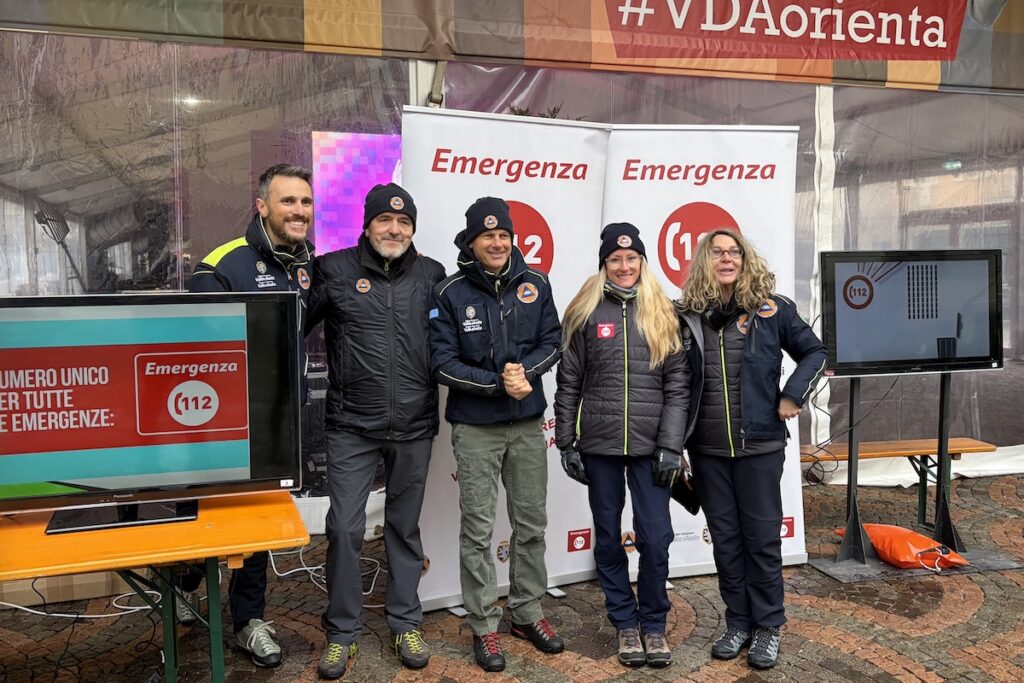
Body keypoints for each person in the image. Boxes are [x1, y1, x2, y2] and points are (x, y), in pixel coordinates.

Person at [306, 183, 446, 680]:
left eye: (404, 222)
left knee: (403, 527)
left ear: (412, 228)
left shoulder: (432, 274)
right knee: (344, 528)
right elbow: (293, 326)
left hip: (413, 424)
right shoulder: (334, 269)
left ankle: (405, 620)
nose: (394, 229)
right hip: (351, 424)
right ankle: (342, 632)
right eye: (385, 221)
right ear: (367, 224)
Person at [183, 163, 315, 667]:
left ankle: (249, 621)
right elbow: (197, 346)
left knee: (258, 525)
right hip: (221, 425)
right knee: (205, 521)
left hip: (278, 424)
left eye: (304, 202)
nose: (298, 211)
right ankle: (186, 581)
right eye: (288, 202)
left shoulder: (307, 265)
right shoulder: (223, 263)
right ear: (262, 206)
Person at [677, 229, 825, 670]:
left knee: (761, 540)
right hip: (706, 448)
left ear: (745, 259)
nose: (726, 259)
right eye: (718, 253)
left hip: (759, 445)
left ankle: (767, 626)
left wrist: (792, 395)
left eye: (734, 252)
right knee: (725, 541)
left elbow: (815, 352)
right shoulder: (689, 314)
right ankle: (737, 622)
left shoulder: (771, 308)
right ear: (706, 261)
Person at [429, 196, 564, 672]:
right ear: (470, 241)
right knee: (479, 530)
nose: (497, 242)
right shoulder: (449, 293)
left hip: (528, 426)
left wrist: (525, 372)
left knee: (531, 525)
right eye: (487, 235)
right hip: (476, 429)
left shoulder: (536, 284)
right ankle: (485, 626)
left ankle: (527, 613)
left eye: (503, 234)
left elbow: (554, 341)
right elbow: (441, 362)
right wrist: (496, 384)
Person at [554, 223, 690, 669]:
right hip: (600, 445)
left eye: (632, 259)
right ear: (604, 264)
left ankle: (653, 623)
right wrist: (567, 442)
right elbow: (569, 379)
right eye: (616, 259)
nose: (625, 266)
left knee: (656, 537)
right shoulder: (586, 311)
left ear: (642, 263)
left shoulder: (663, 311)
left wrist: (672, 446)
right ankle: (624, 623)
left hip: (653, 448)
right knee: (608, 538)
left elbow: (678, 384)